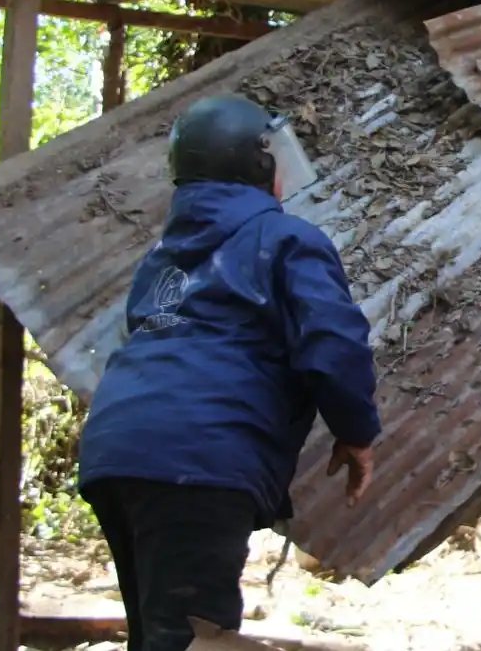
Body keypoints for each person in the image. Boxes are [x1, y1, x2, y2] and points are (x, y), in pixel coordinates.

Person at [77, 95, 381, 651]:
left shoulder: (162, 258)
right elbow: (333, 342)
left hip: (115, 451)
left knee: (160, 632)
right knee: (193, 637)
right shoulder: (288, 240)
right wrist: (356, 431)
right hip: (199, 459)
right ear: (259, 163)